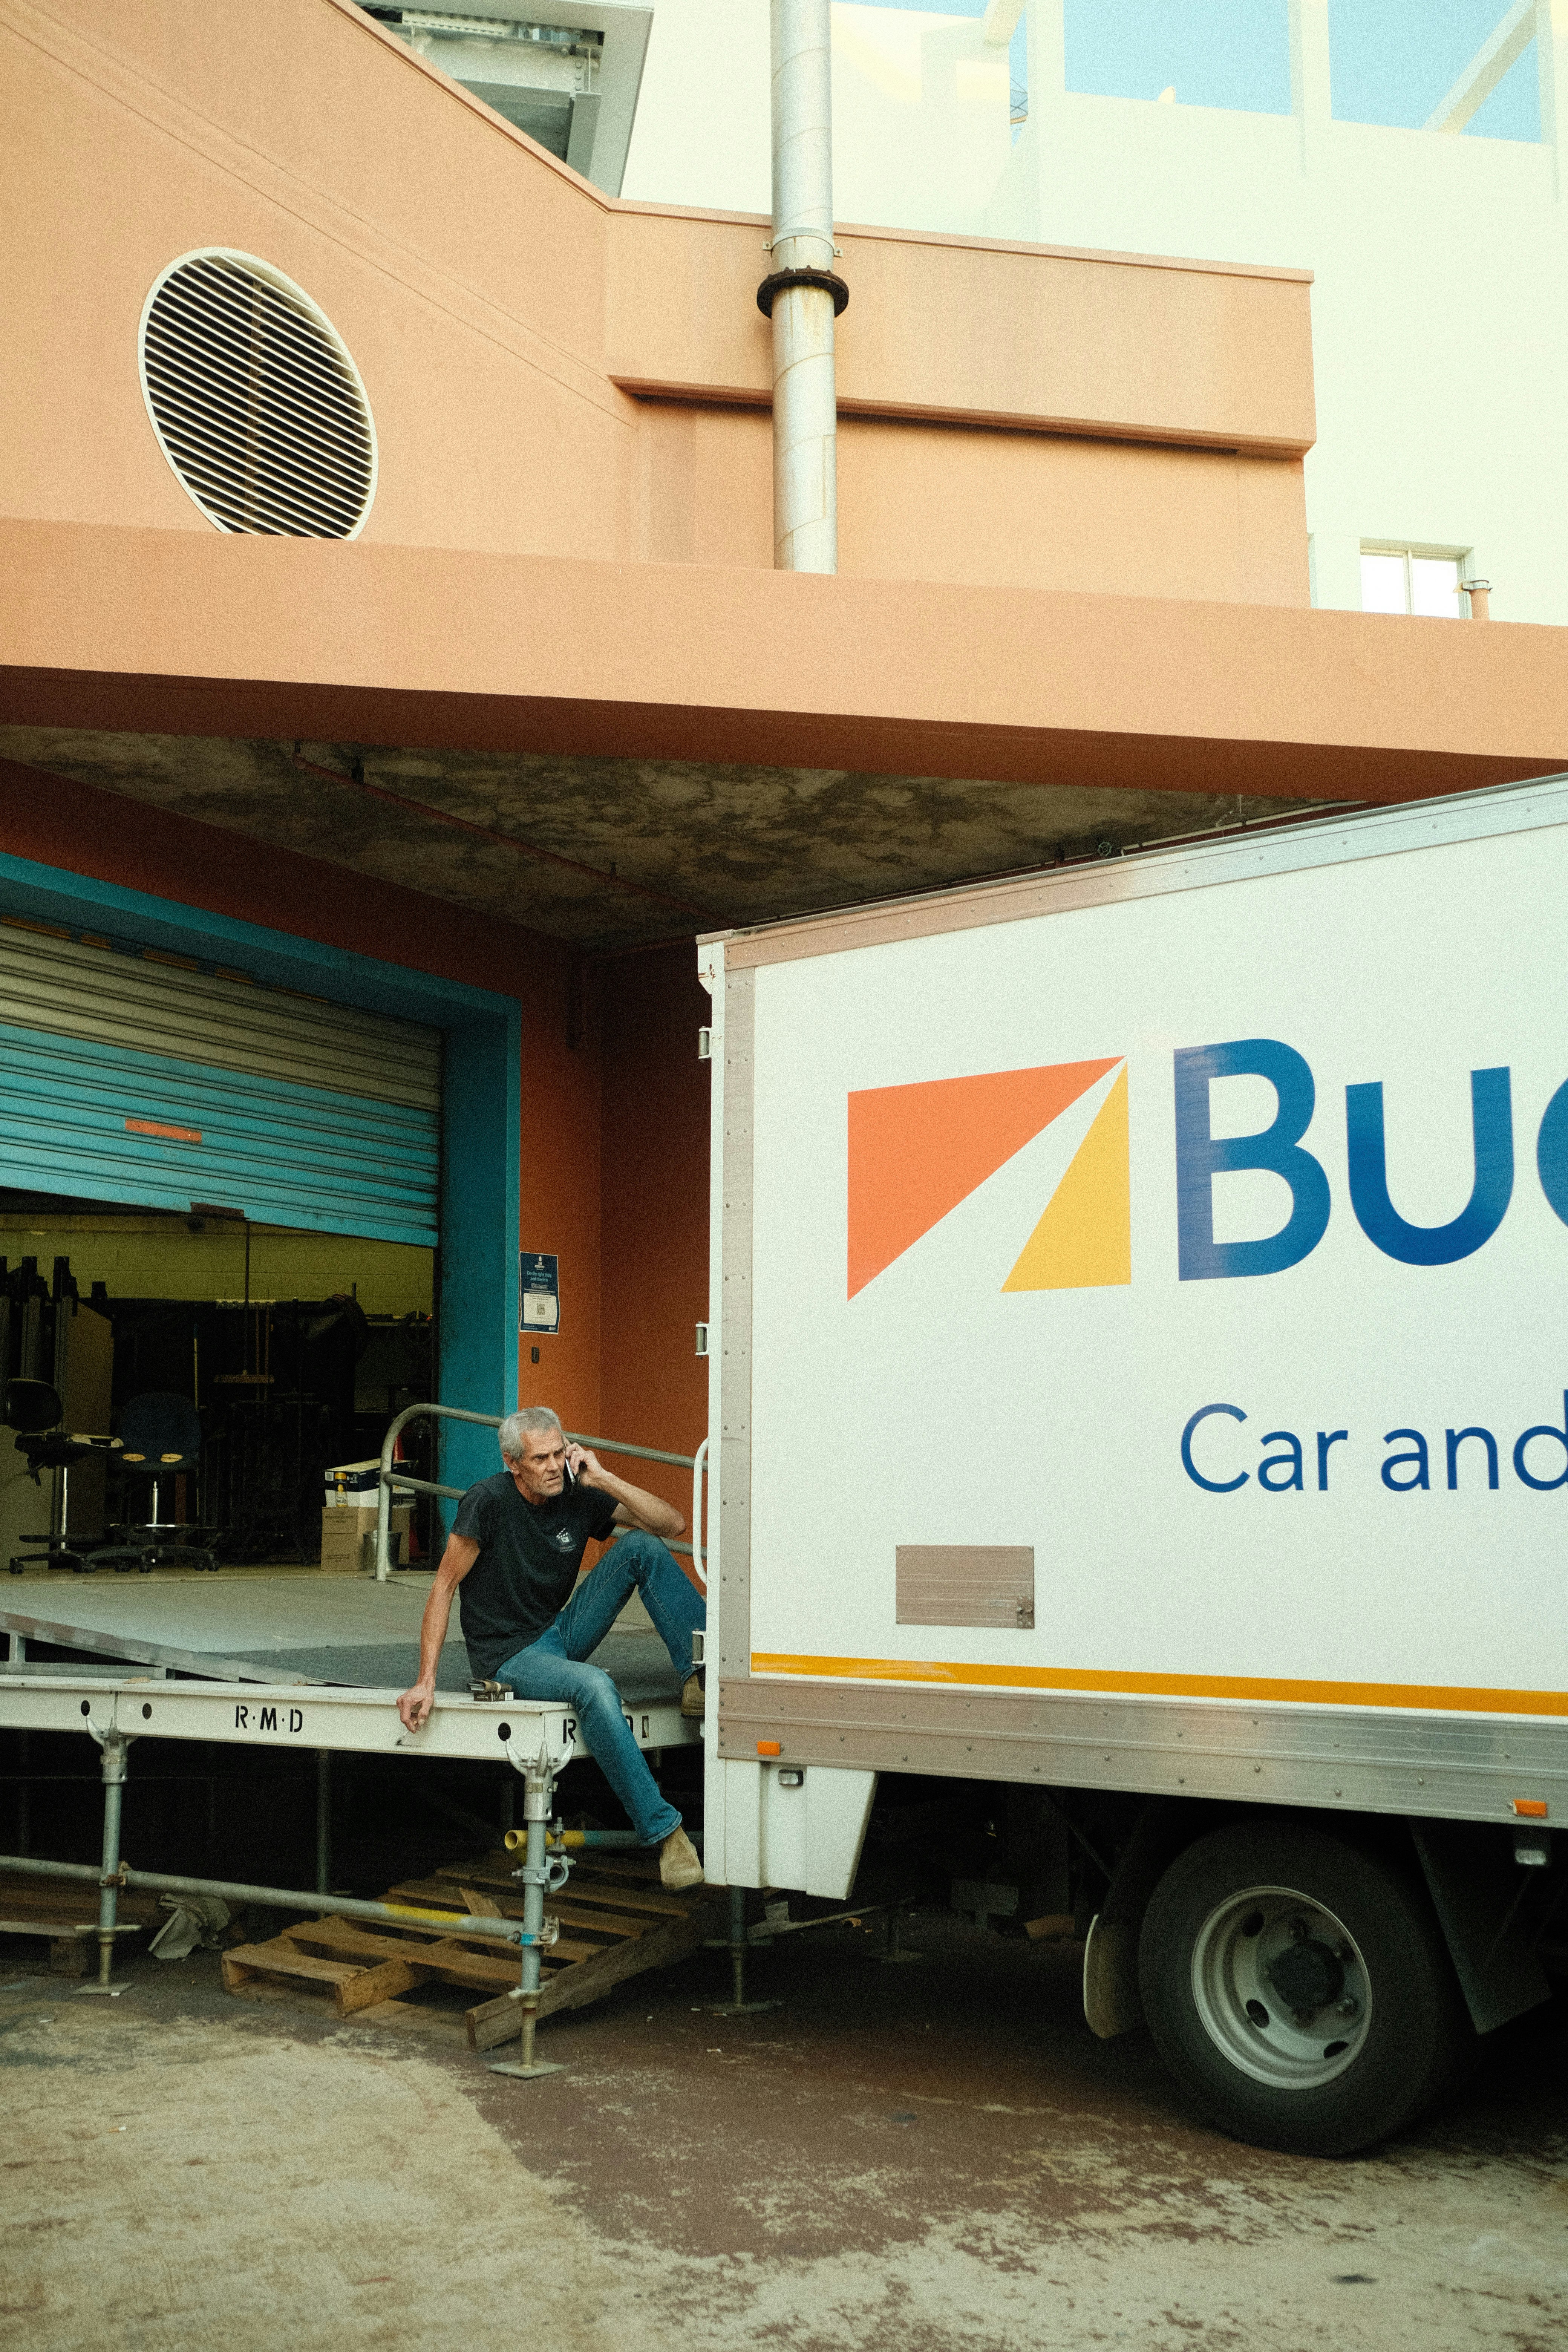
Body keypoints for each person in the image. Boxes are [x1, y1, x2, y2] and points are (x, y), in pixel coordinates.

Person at [396, 1406, 705, 1890]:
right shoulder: (488, 1501)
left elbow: (673, 1524)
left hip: (559, 1632)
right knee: (595, 1685)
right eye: (541, 1457)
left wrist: (604, 1478)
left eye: (559, 1452)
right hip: (510, 1658)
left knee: (643, 1548)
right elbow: (443, 1586)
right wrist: (425, 1680)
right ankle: (666, 1835)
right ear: (512, 1462)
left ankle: (698, 1676)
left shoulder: (578, 1490)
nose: (553, 1465)